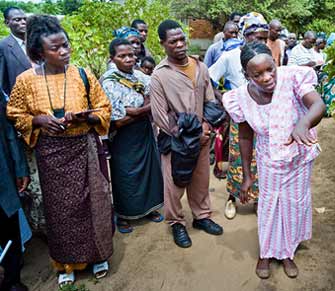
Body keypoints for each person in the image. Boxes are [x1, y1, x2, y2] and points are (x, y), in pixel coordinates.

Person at [6, 15, 113, 287]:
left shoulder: (82, 75)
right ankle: (66, 262)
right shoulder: (25, 81)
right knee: (60, 212)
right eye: (56, 48)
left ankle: (98, 255)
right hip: (51, 153)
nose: (64, 51)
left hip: (84, 146)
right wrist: (39, 120)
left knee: (94, 203)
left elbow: (103, 108)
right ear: (40, 52)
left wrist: (85, 118)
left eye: (66, 45)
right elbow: (15, 112)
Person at [222, 42, 326, 279]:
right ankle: (266, 253)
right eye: (257, 74)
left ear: (276, 63)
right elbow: (246, 136)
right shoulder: (240, 98)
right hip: (268, 159)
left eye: (270, 69)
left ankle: (287, 252)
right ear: (246, 75)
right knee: (269, 206)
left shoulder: (293, 78)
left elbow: (318, 104)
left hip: (298, 157)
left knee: (293, 203)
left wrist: (304, 122)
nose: (267, 77)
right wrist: (247, 175)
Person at [150, 20, 223, 248]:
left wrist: (206, 126)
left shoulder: (200, 67)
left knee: (201, 180)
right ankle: (176, 223)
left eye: (182, 39)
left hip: (202, 136)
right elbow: (161, 116)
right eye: (173, 41)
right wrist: (188, 132)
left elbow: (210, 100)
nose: (180, 44)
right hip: (177, 141)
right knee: (174, 184)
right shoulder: (159, 76)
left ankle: (201, 217)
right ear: (163, 43)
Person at [209, 12, 269, 220]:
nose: (261, 42)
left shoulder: (267, 57)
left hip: (263, 117)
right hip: (241, 117)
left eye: (264, 38)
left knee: (260, 157)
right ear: (245, 35)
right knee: (237, 159)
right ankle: (232, 198)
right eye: (257, 37)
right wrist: (225, 100)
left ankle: (258, 199)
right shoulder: (230, 57)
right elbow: (209, 79)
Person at [101, 38, 164, 234]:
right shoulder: (109, 81)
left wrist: (137, 111)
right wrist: (142, 109)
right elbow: (117, 117)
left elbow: (154, 98)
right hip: (122, 136)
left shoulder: (141, 76)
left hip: (143, 131)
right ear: (113, 58)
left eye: (131, 55)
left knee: (150, 170)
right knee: (124, 174)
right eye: (122, 56)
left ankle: (150, 207)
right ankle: (124, 214)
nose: (128, 59)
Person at [0, 7, 45, 236]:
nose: (21, 23)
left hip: (47, 115)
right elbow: (3, 88)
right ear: (7, 23)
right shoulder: (3, 47)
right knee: (32, 175)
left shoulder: (37, 43)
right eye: (16, 20)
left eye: (24, 18)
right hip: (23, 121)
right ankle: (41, 226)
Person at [0, 97, 30, 291]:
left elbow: (9, 133)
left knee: (9, 229)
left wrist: (20, 169)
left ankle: (12, 281)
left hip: (2, 182)